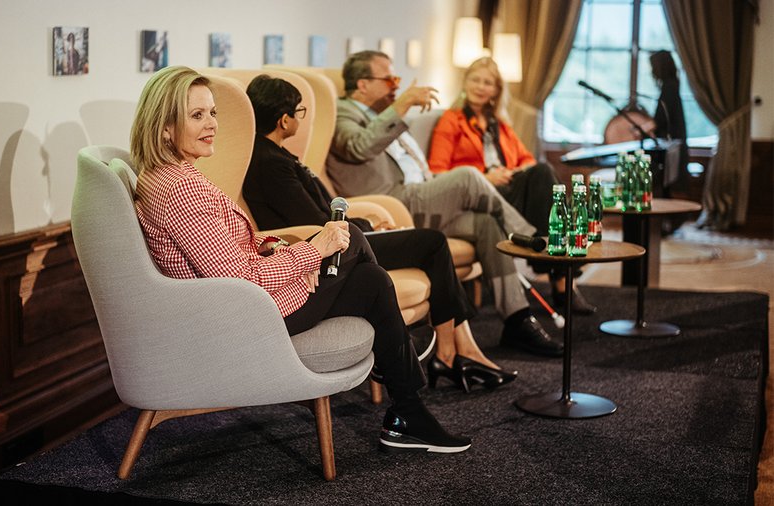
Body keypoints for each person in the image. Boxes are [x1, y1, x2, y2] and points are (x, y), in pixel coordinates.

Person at [131, 65, 470, 453]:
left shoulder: (171, 174)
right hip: (245, 315)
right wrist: (310, 253)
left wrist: (284, 251)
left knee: (372, 280)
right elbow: (242, 279)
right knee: (353, 239)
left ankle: (407, 410)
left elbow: (230, 248)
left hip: (244, 302)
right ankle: (402, 372)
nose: (211, 124)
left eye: (213, 113)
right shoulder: (180, 189)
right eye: (196, 115)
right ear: (164, 128)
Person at [242, 74, 517, 391]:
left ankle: (456, 350)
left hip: (340, 237)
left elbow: (324, 212)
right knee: (432, 242)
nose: (301, 120)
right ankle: (451, 352)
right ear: (284, 119)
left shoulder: (276, 155)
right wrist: (370, 226)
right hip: (331, 249)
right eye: (299, 113)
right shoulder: (270, 162)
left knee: (429, 244)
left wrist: (370, 223)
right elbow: (315, 222)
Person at [327, 50, 563, 357]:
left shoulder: (381, 113)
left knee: (486, 224)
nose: (396, 86)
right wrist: (401, 106)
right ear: (362, 84)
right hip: (391, 202)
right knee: (467, 176)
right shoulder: (344, 113)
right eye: (390, 79)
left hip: (421, 197)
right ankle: (532, 239)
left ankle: (517, 319)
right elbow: (359, 147)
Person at [428, 57, 596, 314]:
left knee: (541, 172)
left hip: (508, 188)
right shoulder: (452, 121)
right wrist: (485, 176)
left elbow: (527, 159)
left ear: (496, 90)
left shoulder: (500, 125)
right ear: (465, 82)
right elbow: (437, 172)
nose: (480, 87)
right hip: (478, 194)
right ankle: (562, 280)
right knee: (544, 177)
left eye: (487, 82)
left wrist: (514, 171)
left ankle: (556, 267)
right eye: (475, 80)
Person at [650, 50, 688, 197]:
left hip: (671, 147)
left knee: (667, 186)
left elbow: (660, 119)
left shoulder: (669, 87)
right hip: (672, 144)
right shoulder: (672, 85)